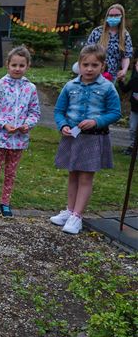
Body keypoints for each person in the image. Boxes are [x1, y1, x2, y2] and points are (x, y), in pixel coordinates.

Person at [51, 44, 121, 234]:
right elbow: (59, 111)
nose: (89, 69)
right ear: (79, 65)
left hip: (93, 138)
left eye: (94, 65)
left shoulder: (108, 88)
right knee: (72, 173)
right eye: (85, 64)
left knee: (85, 177)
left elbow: (115, 112)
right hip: (72, 137)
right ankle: (69, 210)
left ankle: (77, 216)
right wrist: (62, 125)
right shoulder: (70, 86)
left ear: (102, 66)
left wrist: (96, 121)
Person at [0, 46, 41, 218]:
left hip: (18, 139)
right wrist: (3, 124)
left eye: (21, 65)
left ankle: (5, 202)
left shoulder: (30, 88)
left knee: (11, 172)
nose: (17, 69)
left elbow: (34, 112)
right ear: (7, 65)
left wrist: (27, 124)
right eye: (14, 65)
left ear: (27, 66)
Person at [86, 4, 133, 81]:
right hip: (94, 73)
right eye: (111, 15)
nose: (113, 17)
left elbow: (126, 56)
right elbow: (87, 51)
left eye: (117, 15)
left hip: (112, 77)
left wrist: (124, 70)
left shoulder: (125, 35)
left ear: (122, 16)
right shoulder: (97, 31)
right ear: (107, 16)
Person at [117, 56, 138, 155]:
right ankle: (133, 146)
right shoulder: (134, 80)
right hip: (135, 110)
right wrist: (121, 81)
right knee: (133, 128)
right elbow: (125, 90)